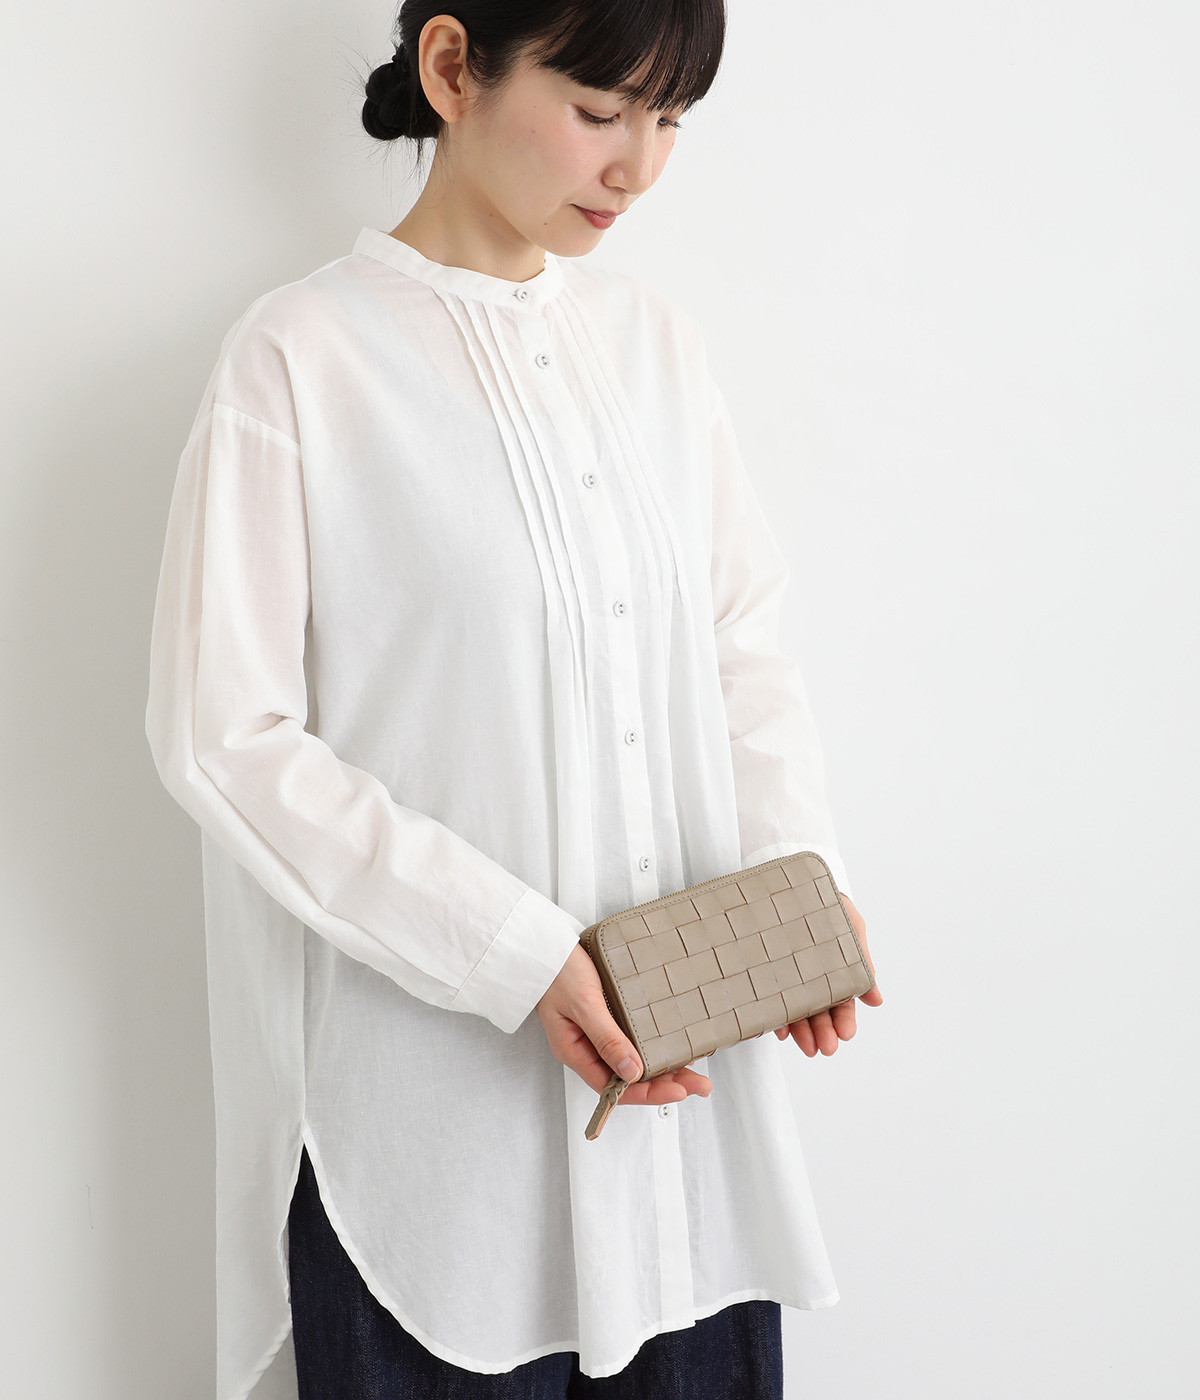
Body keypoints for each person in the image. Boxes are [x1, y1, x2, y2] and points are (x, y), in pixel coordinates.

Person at [144, 2, 883, 1397]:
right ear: (450, 65)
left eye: (669, 122)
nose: (638, 167)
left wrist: (799, 879)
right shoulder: (298, 359)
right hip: (433, 1169)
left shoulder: (655, 348)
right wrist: (515, 952)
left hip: (687, 1147)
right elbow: (223, 735)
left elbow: (739, 638)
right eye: (601, 112)